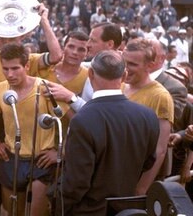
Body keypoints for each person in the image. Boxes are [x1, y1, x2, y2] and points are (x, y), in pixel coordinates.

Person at [61, 50, 159, 215]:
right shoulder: (147, 116)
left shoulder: (83, 119)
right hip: (127, 209)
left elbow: (77, 181)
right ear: (124, 76)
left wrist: (64, 204)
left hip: (88, 210)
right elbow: (149, 162)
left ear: (90, 73)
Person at [0, 43, 63, 216]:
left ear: (27, 66)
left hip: (41, 159)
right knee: (13, 210)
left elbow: (71, 121)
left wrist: (60, 151)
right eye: (5, 69)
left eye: (15, 68)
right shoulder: (0, 89)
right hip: (12, 157)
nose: (10, 74)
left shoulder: (45, 88)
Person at [122, 38, 174, 195]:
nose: (126, 69)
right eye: (124, 63)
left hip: (137, 175)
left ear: (149, 66)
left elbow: (160, 149)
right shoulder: (121, 85)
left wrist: (142, 187)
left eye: (133, 64)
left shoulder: (160, 96)